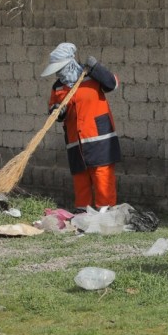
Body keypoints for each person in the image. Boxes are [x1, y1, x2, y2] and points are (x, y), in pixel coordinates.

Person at [41, 43, 121, 212]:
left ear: (70, 63)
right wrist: (57, 111)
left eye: (62, 68)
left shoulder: (92, 78)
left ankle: (106, 214)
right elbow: (53, 111)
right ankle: (82, 213)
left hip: (100, 138)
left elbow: (113, 84)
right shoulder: (58, 87)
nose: (59, 73)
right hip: (74, 142)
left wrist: (96, 68)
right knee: (80, 179)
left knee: (102, 176)